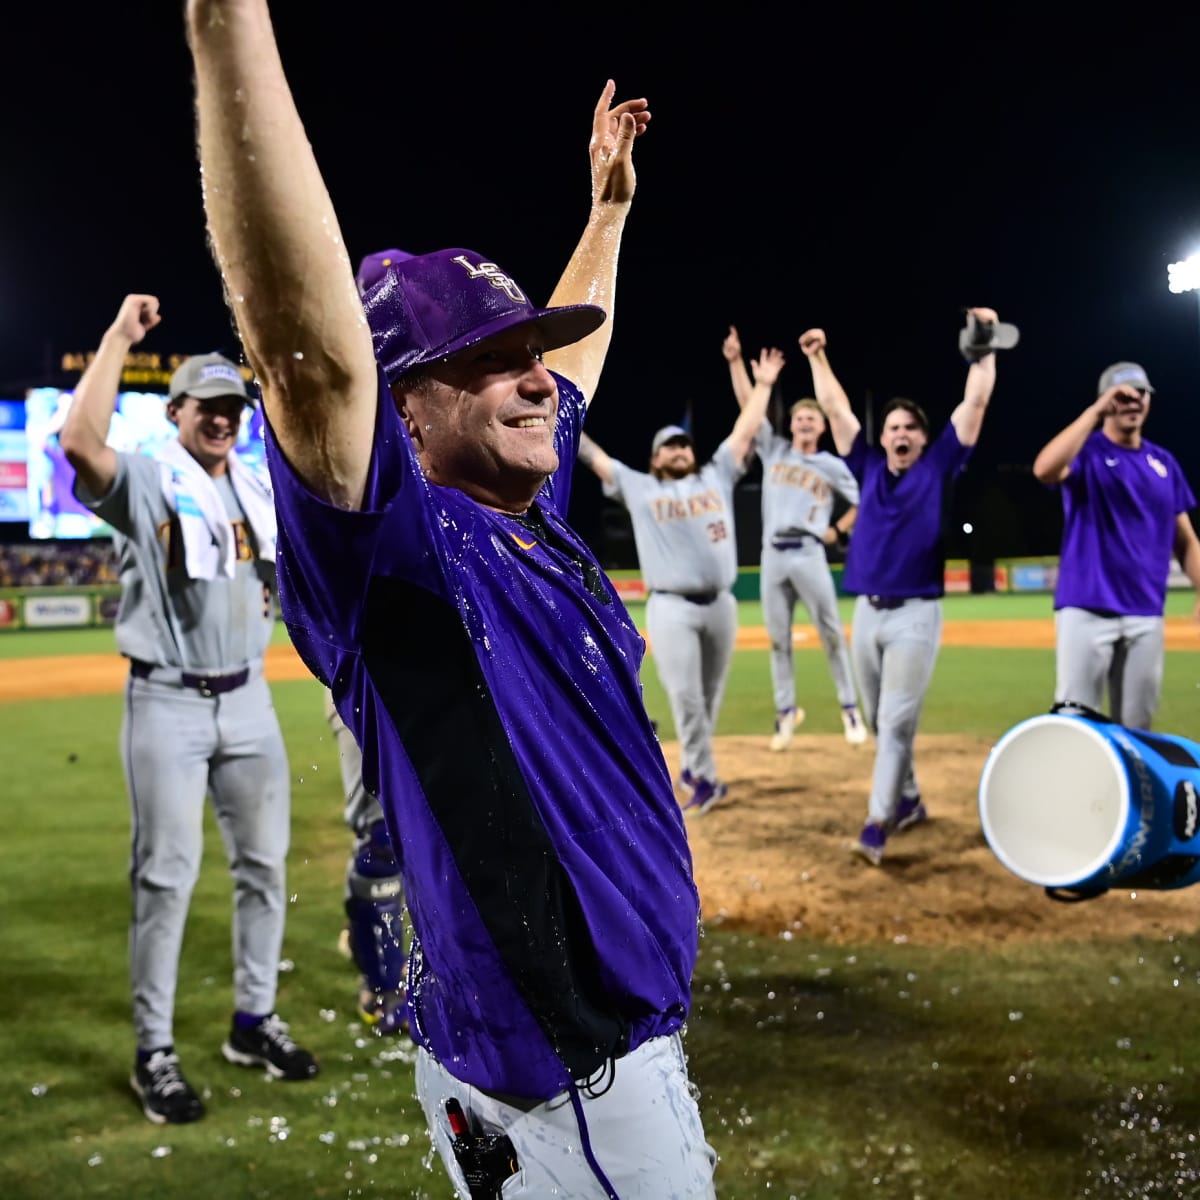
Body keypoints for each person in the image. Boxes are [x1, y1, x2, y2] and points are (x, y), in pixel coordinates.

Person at [185, 3, 716, 1195]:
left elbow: (562, 374)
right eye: (490, 358)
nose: (538, 378)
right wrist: (228, 28)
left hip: (579, 1058)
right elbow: (304, 355)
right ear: (404, 406)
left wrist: (609, 215)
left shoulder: (525, 522)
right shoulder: (402, 564)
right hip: (570, 1075)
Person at [59, 295, 319, 1127]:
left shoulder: (256, 484)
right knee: (166, 880)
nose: (221, 419)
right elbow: (76, 443)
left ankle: (253, 1021)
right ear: (175, 412)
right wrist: (116, 338)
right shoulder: (145, 476)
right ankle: (154, 1053)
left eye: (231, 407)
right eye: (206, 406)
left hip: (248, 699)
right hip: (167, 700)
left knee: (266, 871)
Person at [799, 310, 1005, 865]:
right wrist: (817, 356)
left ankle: (877, 821)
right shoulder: (865, 465)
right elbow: (837, 409)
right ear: (883, 437)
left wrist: (983, 348)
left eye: (910, 427)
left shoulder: (938, 465)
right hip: (867, 613)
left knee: (893, 721)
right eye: (893, 428)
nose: (901, 434)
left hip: (917, 613)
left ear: (922, 436)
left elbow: (976, 402)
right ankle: (910, 797)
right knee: (884, 717)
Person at [577, 349, 779, 814]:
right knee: (687, 698)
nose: (679, 450)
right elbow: (594, 456)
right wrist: (558, 413)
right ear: (654, 458)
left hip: (722, 605)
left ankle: (692, 765)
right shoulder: (639, 486)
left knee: (707, 700)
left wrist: (763, 384)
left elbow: (746, 430)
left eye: (684, 445)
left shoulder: (716, 475)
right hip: (671, 608)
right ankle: (705, 779)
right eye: (670, 446)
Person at [1032, 362, 1200, 728]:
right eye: (1122, 395)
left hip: (1145, 613)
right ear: (1107, 401)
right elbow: (1044, 469)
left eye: (1141, 393)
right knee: (1076, 720)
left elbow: (1186, 541)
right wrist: (1094, 413)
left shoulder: (1163, 463)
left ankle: (1131, 789)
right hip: (1087, 608)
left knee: (1138, 727)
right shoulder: (1086, 453)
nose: (1133, 401)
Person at [722, 324, 866, 749]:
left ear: (821, 427)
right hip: (773, 555)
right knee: (778, 640)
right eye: (799, 417)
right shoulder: (777, 450)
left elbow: (864, 500)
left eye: (811, 418)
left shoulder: (832, 465)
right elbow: (750, 407)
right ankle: (786, 713)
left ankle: (849, 709)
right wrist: (735, 362)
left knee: (832, 634)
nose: (804, 421)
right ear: (792, 423)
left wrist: (838, 528)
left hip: (808, 552)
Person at [324, 688, 409, 1035]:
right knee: (382, 838)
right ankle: (382, 983)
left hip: (445, 679)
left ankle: (427, 967)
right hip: (361, 682)